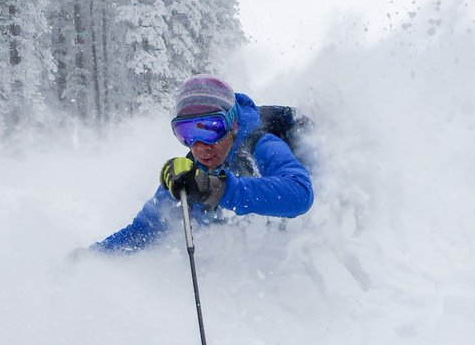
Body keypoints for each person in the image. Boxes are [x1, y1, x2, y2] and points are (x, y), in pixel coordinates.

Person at [94, 75, 314, 253]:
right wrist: (93, 256)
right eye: (186, 133)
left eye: (211, 129)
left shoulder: (262, 144)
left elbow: (301, 194)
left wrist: (216, 189)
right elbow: (145, 230)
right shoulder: (193, 172)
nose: (200, 147)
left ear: (233, 125)